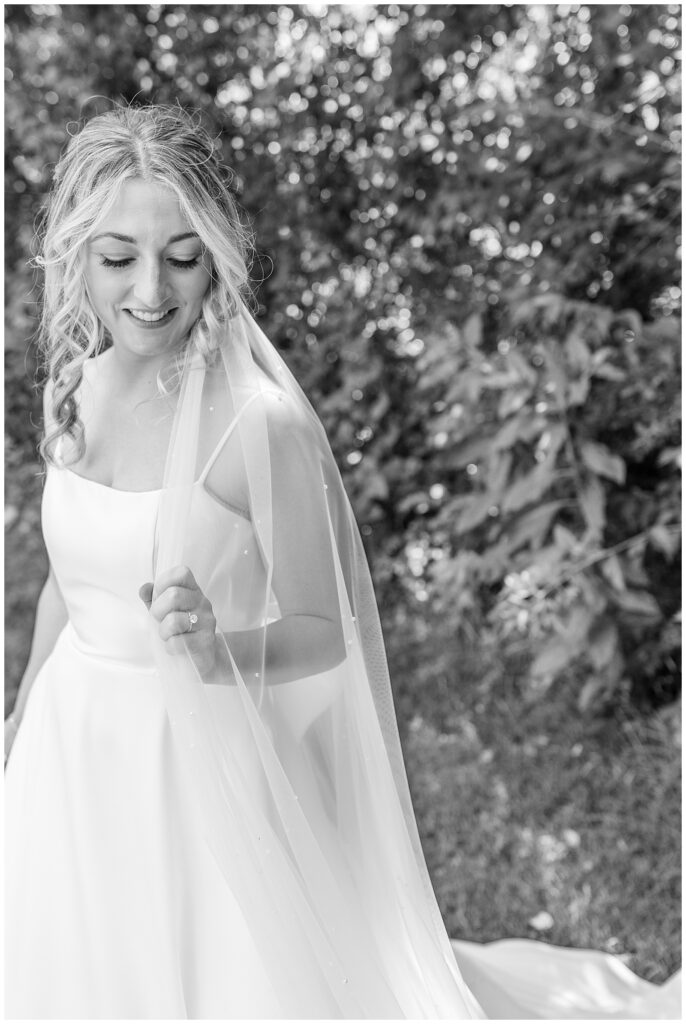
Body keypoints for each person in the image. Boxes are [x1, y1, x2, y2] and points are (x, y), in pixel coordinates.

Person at [4, 104, 681, 1020]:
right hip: (71, 743)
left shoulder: (253, 425)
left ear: (221, 256)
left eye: (184, 255)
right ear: (78, 255)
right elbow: (66, 586)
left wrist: (218, 651)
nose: (151, 291)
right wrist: (21, 728)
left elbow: (327, 632)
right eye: (119, 256)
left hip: (194, 761)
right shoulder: (73, 390)